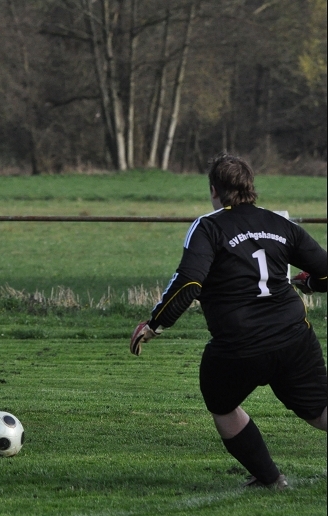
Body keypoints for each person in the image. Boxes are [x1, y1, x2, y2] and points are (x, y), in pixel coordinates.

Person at [130, 153, 327, 489]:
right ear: (251, 188)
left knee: (221, 404)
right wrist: (310, 283)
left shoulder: (208, 226)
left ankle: (270, 479)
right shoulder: (280, 224)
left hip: (238, 345)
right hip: (293, 337)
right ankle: (269, 479)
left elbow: (189, 282)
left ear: (213, 191)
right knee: (319, 411)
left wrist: (155, 325)